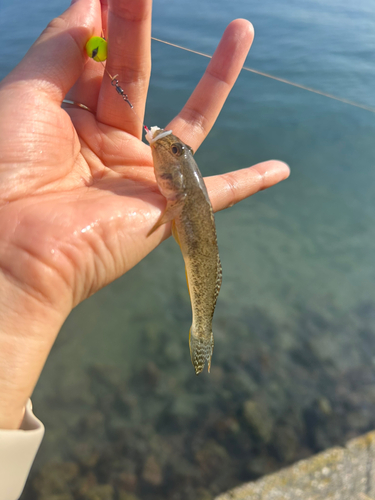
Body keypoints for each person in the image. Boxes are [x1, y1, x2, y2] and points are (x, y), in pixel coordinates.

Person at [0, 0, 289, 497]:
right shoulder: (167, 175)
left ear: (175, 175)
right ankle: (203, 338)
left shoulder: (174, 178)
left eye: (176, 152)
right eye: (174, 149)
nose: (167, 143)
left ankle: (203, 335)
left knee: (202, 303)